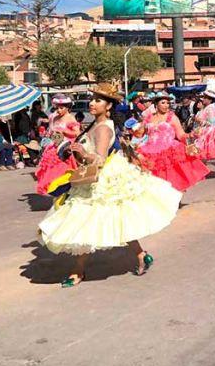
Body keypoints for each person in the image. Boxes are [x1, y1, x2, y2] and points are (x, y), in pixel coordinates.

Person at [38, 83, 182, 288]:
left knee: (87, 222)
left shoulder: (103, 127)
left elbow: (100, 159)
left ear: (108, 106)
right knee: (114, 220)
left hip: (102, 181)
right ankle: (141, 255)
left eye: (98, 100)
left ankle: (78, 270)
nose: (92, 103)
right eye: (92, 99)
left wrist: (84, 152)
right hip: (96, 178)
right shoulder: (95, 124)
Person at [137, 92, 210, 192]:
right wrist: (135, 129)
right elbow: (139, 134)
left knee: (171, 179)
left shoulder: (172, 118)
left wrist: (191, 135)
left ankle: (173, 199)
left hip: (168, 151)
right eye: (163, 103)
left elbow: (180, 135)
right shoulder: (149, 118)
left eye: (168, 103)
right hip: (150, 151)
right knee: (153, 179)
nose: (166, 105)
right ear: (156, 104)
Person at [34, 95, 81, 195]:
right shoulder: (54, 117)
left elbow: (76, 133)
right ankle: (56, 192)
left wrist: (64, 131)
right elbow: (51, 131)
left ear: (67, 107)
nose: (58, 110)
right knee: (50, 173)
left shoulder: (70, 118)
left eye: (61, 108)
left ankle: (64, 192)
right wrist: (49, 134)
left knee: (62, 173)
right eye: (57, 108)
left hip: (64, 150)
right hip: (53, 147)